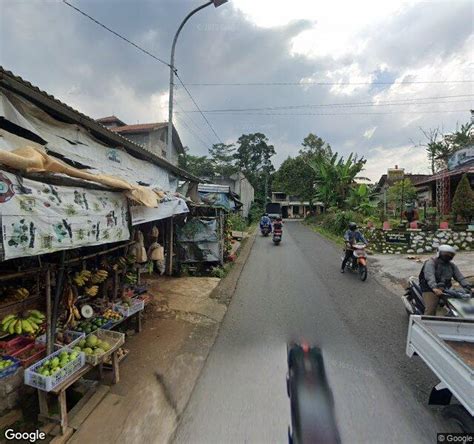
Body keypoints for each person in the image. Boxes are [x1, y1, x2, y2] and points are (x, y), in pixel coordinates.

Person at [419, 244, 472, 316]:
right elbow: (430, 276)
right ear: (439, 253)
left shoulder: (452, 266)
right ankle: (425, 324)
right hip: (430, 289)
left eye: (451, 254)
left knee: (458, 305)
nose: (448, 256)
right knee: (431, 308)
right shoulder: (431, 263)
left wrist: (468, 286)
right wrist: (434, 288)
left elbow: (460, 277)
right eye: (446, 253)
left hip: (446, 289)